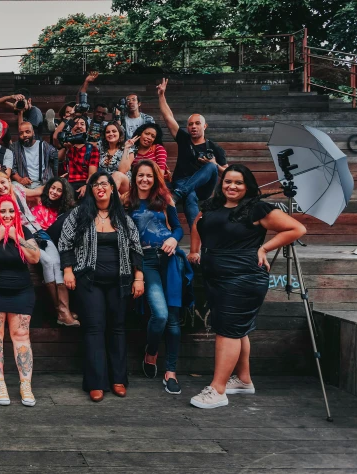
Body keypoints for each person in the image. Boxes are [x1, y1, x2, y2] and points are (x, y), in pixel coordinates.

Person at [188, 164, 306, 409]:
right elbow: (198, 225)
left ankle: (218, 390)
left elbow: (297, 228)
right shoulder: (212, 205)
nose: (232, 186)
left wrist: (264, 248)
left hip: (243, 277)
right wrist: (194, 250)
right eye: (228, 181)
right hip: (215, 276)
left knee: (228, 330)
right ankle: (243, 380)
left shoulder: (257, 208)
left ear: (248, 186)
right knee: (236, 329)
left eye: (238, 183)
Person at [58, 171, 144, 402]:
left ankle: (118, 379)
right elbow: (64, 243)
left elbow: (136, 247)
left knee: (117, 328)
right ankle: (96, 382)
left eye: (104, 184)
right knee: (94, 329)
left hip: (121, 281)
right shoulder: (78, 215)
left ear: (113, 189)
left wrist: (139, 277)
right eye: (95, 185)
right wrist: (68, 270)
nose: (100, 188)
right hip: (89, 281)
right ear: (91, 190)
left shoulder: (123, 217)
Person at [127, 160, 193, 395]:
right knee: (161, 314)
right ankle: (151, 351)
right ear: (134, 177)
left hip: (170, 259)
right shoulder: (127, 202)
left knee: (174, 319)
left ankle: (171, 372)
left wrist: (175, 239)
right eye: (140, 175)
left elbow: (177, 227)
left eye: (149, 176)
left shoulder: (166, 200)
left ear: (155, 177)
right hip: (146, 261)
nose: (145, 179)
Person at [0, 195, 41, 407]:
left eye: (11, 211)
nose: (7, 215)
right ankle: (0, 384)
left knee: (21, 335)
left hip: (21, 291)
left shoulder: (24, 231)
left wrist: (14, 236)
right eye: (3, 211)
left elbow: (35, 257)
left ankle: (25, 385)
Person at [0, 171, 73, 327]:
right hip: (23, 234)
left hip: (38, 230)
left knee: (56, 261)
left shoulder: (18, 188)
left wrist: (57, 181)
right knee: (47, 262)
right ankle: (60, 310)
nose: (1, 187)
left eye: (3, 182)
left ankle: (64, 309)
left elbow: (38, 190)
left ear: (8, 180)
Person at [157, 78, 227, 228]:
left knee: (211, 167)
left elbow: (228, 174)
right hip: (182, 183)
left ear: (205, 126)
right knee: (190, 196)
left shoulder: (215, 148)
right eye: (190, 124)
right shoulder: (183, 139)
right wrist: (161, 95)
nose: (193, 127)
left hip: (204, 188)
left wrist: (213, 164)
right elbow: (168, 117)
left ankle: (178, 194)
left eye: (197, 123)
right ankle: (198, 239)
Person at [58, 115, 99, 200]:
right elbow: (58, 158)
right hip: (67, 184)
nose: (79, 126)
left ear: (86, 129)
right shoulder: (67, 146)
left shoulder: (92, 149)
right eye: (76, 124)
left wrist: (86, 186)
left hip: (84, 183)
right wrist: (66, 147)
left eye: (82, 124)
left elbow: (92, 174)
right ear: (71, 129)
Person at [10, 121, 59, 189]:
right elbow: (12, 169)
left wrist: (65, 148)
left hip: (43, 183)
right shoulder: (14, 147)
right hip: (24, 185)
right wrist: (20, 180)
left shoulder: (43, 145)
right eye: (21, 133)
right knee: (12, 186)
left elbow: (57, 156)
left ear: (33, 132)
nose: (24, 135)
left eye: (27, 132)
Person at [97, 122, 130, 194]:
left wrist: (126, 148)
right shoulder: (100, 148)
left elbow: (122, 171)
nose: (111, 134)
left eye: (114, 131)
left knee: (117, 174)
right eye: (108, 132)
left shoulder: (128, 149)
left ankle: (108, 195)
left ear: (120, 133)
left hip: (123, 184)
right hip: (105, 183)